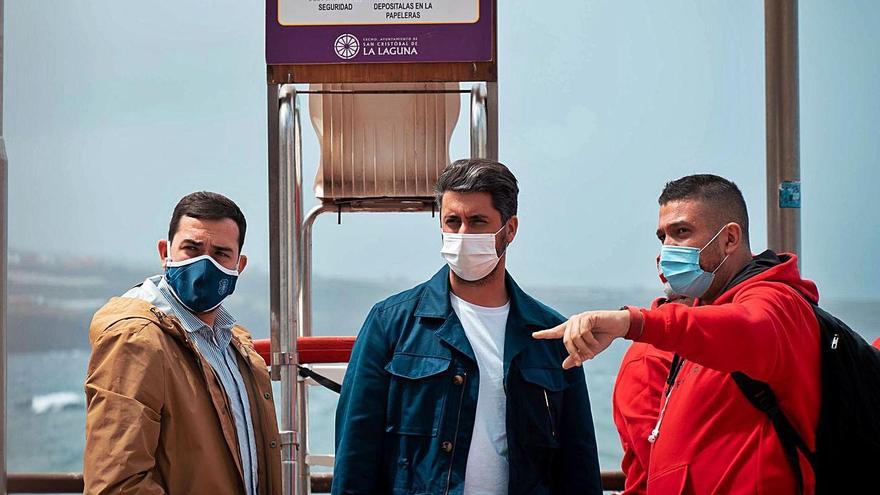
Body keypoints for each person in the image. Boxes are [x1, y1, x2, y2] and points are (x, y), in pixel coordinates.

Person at [535, 174, 822, 493]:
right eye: (662, 237)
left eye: (681, 232)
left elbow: (746, 326)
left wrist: (632, 323)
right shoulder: (690, 324)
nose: (666, 251)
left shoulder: (778, 304)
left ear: (729, 239)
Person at [333, 159, 602, 495]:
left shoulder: (551, 335)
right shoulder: (391, 323)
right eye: (452, 221)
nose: (463, 235)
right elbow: (356, 450)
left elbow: (578, 463)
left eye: (477, 222)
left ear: (510, 229)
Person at [84, 192, 281, 495]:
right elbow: (117, 482)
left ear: (239, 265)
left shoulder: (234, 345)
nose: (205, 263)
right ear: (166, 252)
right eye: (192, 248)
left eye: (220, 253)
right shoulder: (136, 339)